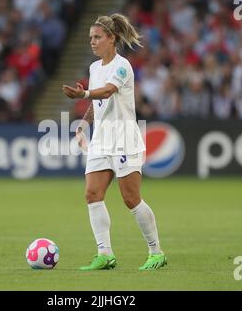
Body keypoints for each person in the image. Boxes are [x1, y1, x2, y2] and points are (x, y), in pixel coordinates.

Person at [62, 14, 166, 271]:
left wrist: (83, 93)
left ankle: (156, 252)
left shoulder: (123, 66)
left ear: (112, 38)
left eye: (97, 37)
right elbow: (99, 103)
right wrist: (84, 123)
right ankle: (105, 254)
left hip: (124, 139)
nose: (92, 42)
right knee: (92, 194)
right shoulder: (95, 68)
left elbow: (107, 91)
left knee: (131, 199)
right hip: (101, 140)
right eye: (90, 38)